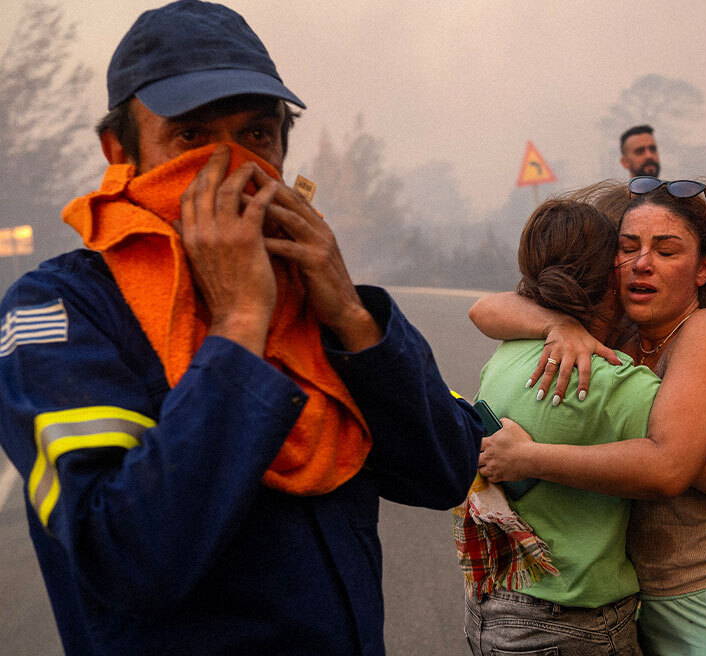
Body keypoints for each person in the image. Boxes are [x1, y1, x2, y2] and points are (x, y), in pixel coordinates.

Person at [0, 2, 481, 654]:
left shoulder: (313, 293)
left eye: (256, 135)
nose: (230, 167)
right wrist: (241, 324)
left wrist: (351, 316)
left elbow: (446, 470)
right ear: (120, 150)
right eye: (191, 138)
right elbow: (130, 556)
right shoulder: (61, 307)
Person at [472, 178, 706, 655]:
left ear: (703, 269)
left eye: (666, 251)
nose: (642, 263)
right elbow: (485, 308)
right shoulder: (619, 337)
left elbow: (694, 472)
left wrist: (530, 458)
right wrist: (558, 323)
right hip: (643, 604)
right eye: (628, 248)